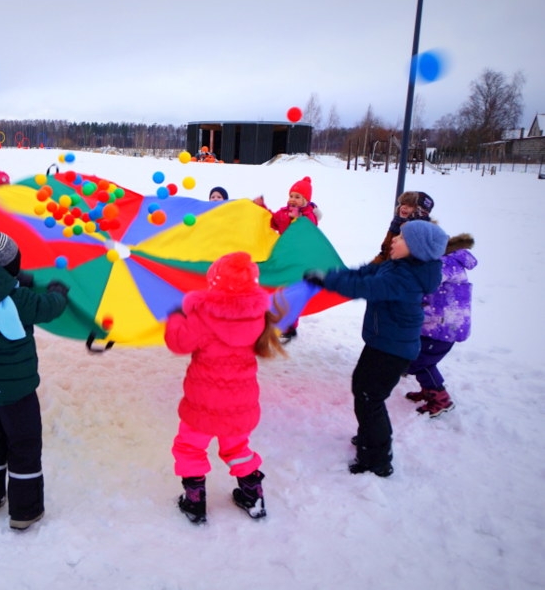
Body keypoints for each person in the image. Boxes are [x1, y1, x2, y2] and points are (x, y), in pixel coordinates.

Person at [304, 219, 448, 477]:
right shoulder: (397, 266)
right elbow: (362, 274)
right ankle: (369, 435)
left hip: (393, 350)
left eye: (402, 238)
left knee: (370, 398)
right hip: (382, 343)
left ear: (416, 248)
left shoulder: (404, 277)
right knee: (362, 388)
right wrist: (330, 275)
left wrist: (328, 281)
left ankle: (379, 457)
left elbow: (364, 287)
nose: (394, 239)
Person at [0, 219, 69, 530]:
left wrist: (20, 281)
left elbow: (1, 286)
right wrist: (58, 291)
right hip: (16, 390)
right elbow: (47, 307)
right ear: (9, 265)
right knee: (24, 443)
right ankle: (25, 510)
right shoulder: (16, 299)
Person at [164, 252, 287, 524]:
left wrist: (175, 318)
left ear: (215, 282)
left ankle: (194, 501)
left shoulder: (203, 314)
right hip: (240, 404)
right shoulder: (258, 315)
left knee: (190, 447)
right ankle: (253, 494)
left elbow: (178, 342)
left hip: (203, 404)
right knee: (236, 448)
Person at [404, 233, 477, 417]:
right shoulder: (442, 260)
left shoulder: (446, 263)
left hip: (443, 328)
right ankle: (429, 390)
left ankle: (441, 399)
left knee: (421, 362)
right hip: (435, 324)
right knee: (421, 359)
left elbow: (425, 282)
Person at [255, 176, 321, 343]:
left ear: (306, 200)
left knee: (293, 292)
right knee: (278, 290)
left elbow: (308, 230)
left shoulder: (309, 215)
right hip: (283, 258)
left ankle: (290, 327)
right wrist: (261, 208)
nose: (293, 199)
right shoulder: (284, 212)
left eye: (298, 197)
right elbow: (272, 221)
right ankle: (273, 320)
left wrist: (298, 218)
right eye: (291, 195)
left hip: (298, 262)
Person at [370, 191, 434, 264]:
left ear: (420, 212)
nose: (404, 207)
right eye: (403, 203)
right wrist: (365, 271)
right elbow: (384, 254)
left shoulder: (421, 234)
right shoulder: (396, 225)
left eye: (410, 205)